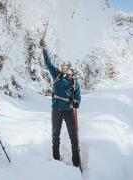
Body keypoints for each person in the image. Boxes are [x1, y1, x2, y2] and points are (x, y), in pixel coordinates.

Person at [40, 39, 82, 167]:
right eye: (63, 67)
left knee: (74, 137)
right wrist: (44, 49)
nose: (65, 69)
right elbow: (48, 63)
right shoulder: (57, 75)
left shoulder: (75, 82)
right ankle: (56, 160)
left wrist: (76, 102)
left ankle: (77, 163)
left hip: (69, 111)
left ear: (71, 69)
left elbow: (78, 97)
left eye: (67, 67)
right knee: (55, 136)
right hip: (56, 110)